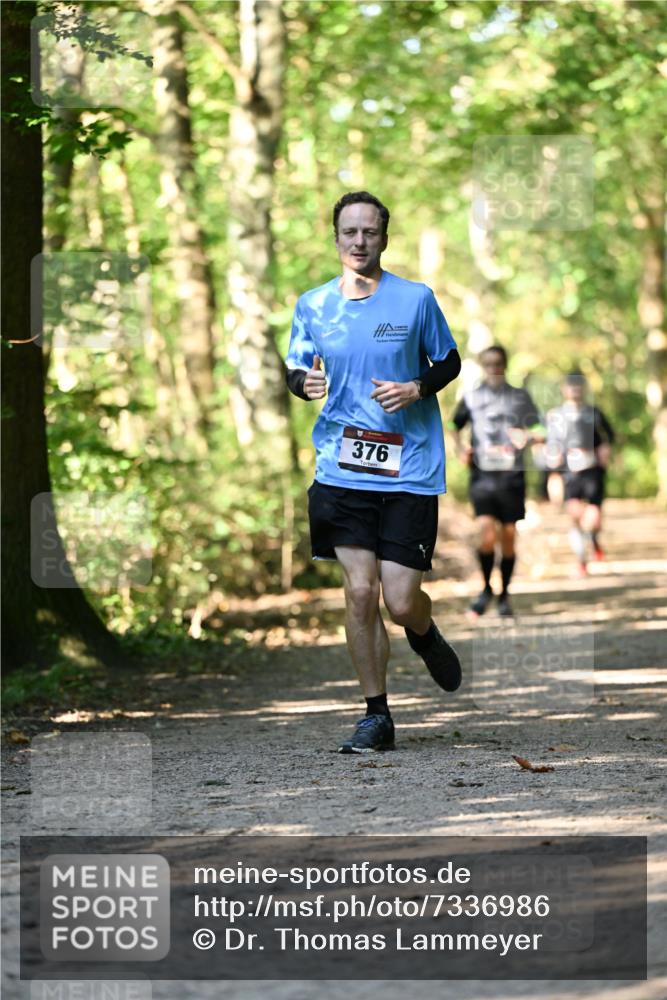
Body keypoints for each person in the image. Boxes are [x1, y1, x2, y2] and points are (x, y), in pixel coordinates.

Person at [285, 191, 462, 754]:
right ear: (335, 238)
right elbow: (296, 365)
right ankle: (376, 715)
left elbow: (449, 360)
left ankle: (423, 631)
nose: (359, 241)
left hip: (408, 467)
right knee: (360, 593)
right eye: (349, 232)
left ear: (384, 237)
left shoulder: (415, 300)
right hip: (341, 467)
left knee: (401, 600)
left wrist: (417, 386)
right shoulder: (314, 305)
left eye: (369, 232)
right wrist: (302, 384)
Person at [451, 346, 541, 618]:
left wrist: (528, 437)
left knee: (509, 537)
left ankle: (504, 595)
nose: (493, 368)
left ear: (505, 364)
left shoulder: (519, 396)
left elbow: (539, 427)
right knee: (487, 534)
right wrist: (460, 450)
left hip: (512, 476)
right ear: (482, 365)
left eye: (498, 362)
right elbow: (455, 426)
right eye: (488, 363)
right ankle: (486, 588)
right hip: (482, 476)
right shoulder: (472, 396)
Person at [545, 372, 615, 576]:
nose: (575, 390)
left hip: (592, 471)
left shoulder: (594, 413)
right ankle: (581, 560)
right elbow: (551, 445)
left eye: (578, 386)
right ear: (564, 389)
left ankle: (593, 537)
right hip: (569, 473)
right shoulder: (555, 416)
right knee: (575, 516)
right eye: (571, 386)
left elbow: (608, 436)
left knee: (593, 519)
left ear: (584, 389)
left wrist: (605, 450)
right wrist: (553, 475)